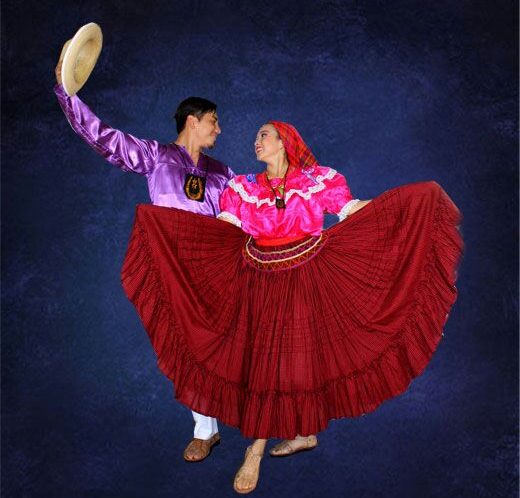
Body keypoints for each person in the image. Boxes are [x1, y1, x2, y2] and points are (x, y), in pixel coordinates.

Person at [120, 121, 463, 494]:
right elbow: (225, 228)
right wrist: (172, 232)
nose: (256, 141)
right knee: (274, 362)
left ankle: (255, 451)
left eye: (264, 135)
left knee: (289, 361)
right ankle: (303, 434)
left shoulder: (317, 180)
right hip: (259, 278)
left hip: (305, 276)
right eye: (256, 137)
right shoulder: (244, 187)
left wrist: (404, 203)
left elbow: (350, 209)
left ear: (284, 142)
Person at [54, 46, 234, 463]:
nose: (219, 129)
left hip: (216, 265)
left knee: (227, 342)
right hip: (172, 266)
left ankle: (257, 417)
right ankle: (205, 430)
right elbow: (103, 137)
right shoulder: (156, 157)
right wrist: (67, 92)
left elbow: (248, 206)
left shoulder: (222, 172)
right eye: (214, 121)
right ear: (193, 121)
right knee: (187, 344)